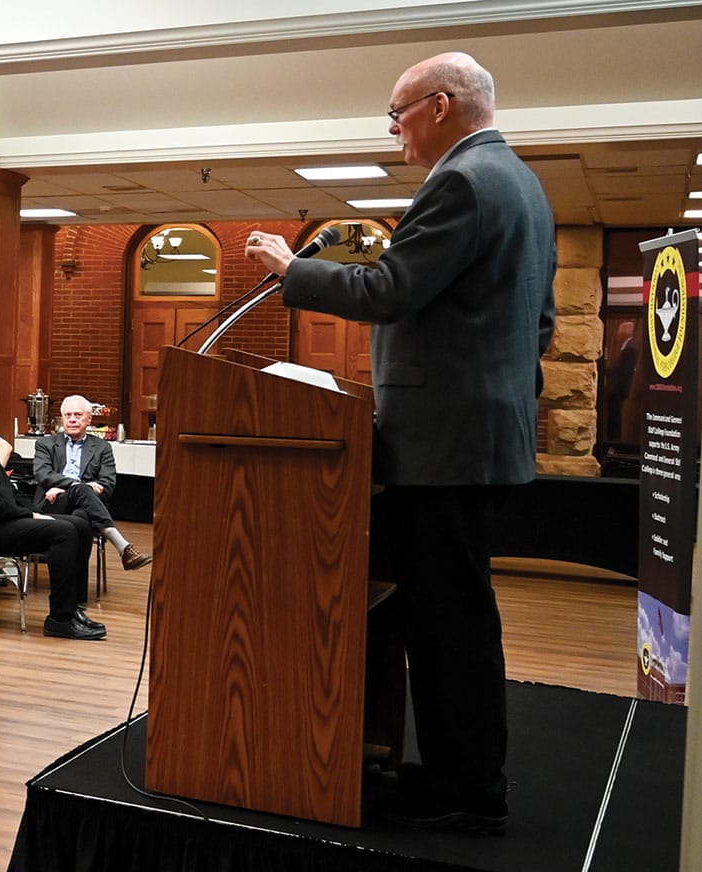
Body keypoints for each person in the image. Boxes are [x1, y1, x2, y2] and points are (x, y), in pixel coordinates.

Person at [242, 52, 551, 834]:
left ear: (440, 105)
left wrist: (292, 271)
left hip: (446, 445)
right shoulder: (521, 181)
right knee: (455, 614)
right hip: (481, 436)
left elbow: (389, 289)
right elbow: (539, 323)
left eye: (396, 113)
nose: (391, 129)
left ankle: (466, 787)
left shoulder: (462, 182)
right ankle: (462, 774)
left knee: (447, 622)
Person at [0, 400, 103, 643]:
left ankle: (74, 608)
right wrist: (30, 515)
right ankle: (60, 619)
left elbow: (7, 493)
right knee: (64, 532)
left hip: (0, 521)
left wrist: (32, 511)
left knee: (81, 525)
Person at [31, 395, 150, 571]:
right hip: (52, 504)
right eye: (68, 415)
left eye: (78, 415)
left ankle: (73, 585)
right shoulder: (45, 444)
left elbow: (107, 484)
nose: (72, 419)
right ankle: (122, 546)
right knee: (81, 491)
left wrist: (68, 488)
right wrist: (76, 485)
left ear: (89, 419)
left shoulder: (102, 447)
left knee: (82, 518)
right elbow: (43, 474)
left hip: (85, 507)